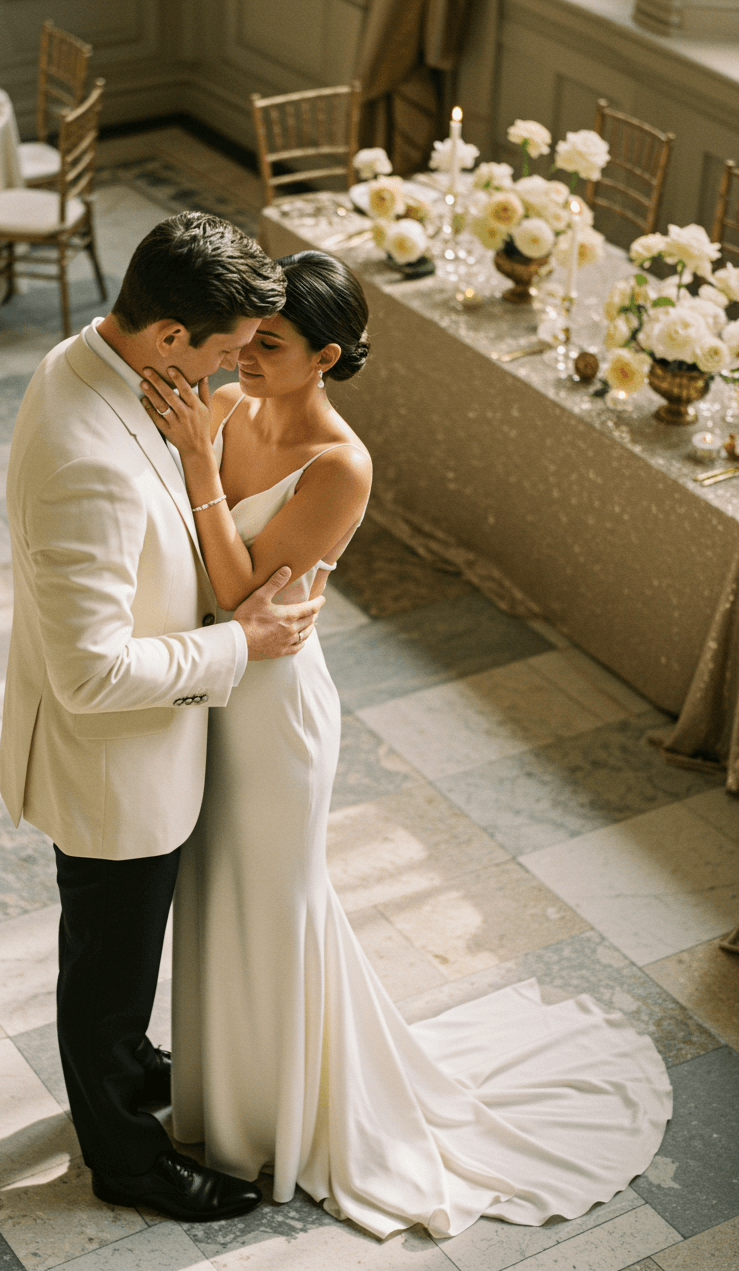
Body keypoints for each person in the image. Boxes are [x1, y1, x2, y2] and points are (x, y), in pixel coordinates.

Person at [140, 249, 673, 1241]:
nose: (245, 354)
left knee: (276, 902)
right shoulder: (218, 408)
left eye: (272, 343)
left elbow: (236, 596)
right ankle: (229, 1101)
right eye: (245, 336)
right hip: (211, 695)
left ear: (324, 355)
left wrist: (196, 470)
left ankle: (290, 1120)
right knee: (212, 893)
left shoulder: (339, 465)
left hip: (276, 717)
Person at [0, 213, 327, 1223]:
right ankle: (126, 1159)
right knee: (104, 966)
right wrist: (241, 645)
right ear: (170, 336)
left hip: (149, 745)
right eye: (227, 347)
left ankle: (134, 1061)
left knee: (119, 957)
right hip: (112, 764)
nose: (235, 368)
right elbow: (92, 672)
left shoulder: (98, 355)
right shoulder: (81, 455)